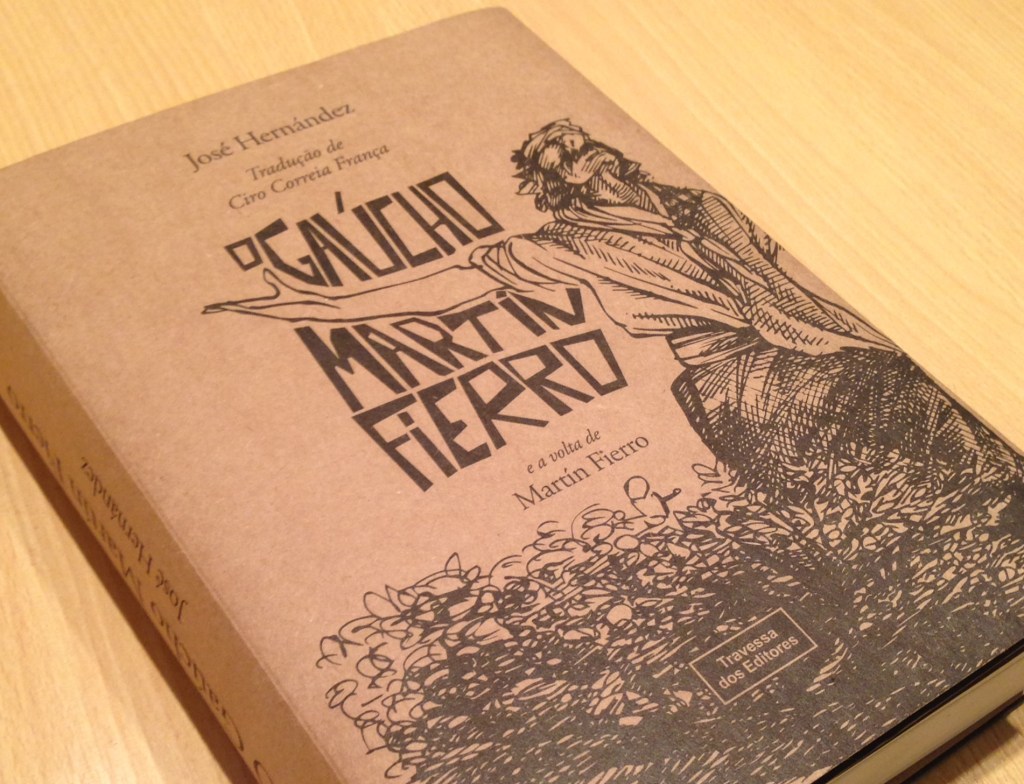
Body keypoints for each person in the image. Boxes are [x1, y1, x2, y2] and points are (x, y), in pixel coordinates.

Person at [207, 120, 1021, 495]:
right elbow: (454, 280)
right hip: (740, 375)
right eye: (563, 156)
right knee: (874, 435)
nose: (582, 153)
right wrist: (321, 304)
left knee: (920, 406)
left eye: (582, 141)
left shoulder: (701, 203)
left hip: (822, 341)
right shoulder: (570, 241)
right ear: (554, 183)